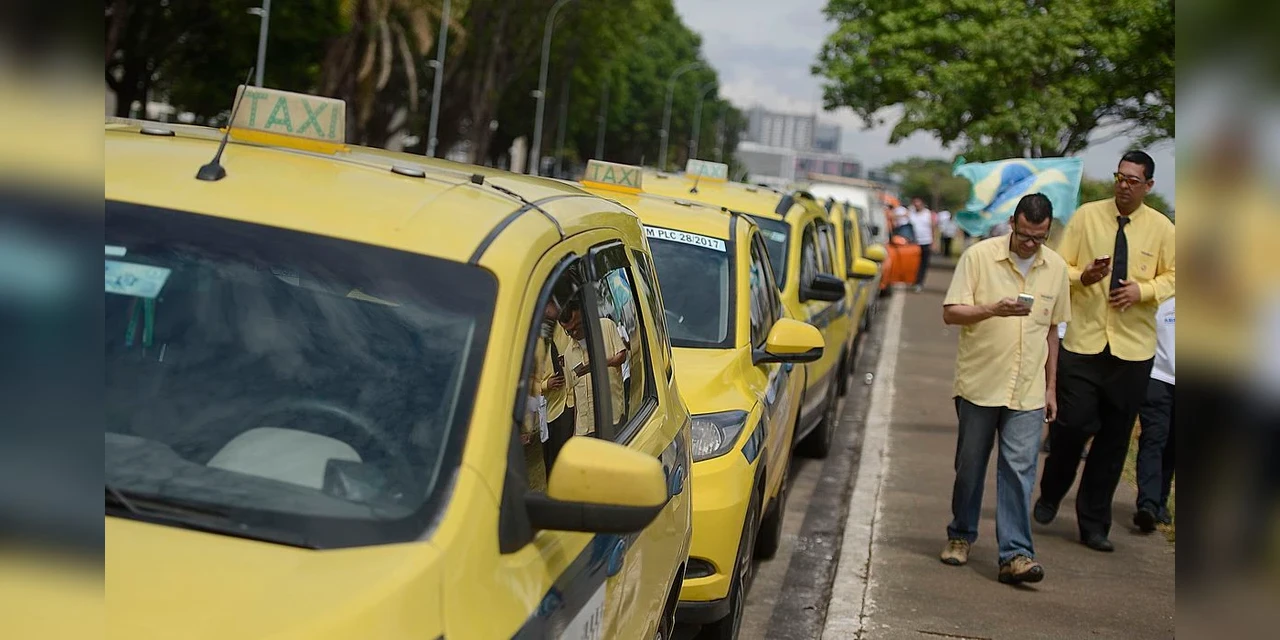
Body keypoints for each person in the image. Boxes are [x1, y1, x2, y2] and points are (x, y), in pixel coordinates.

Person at [1034, 150, 1175, 553]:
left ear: (1148, 186)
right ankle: (1051, 491)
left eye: (1133, 180)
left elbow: (1176, 275)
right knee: (1072, 426)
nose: (1124, 186)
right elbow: (1058, 266)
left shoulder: (1163, 229)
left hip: (1133, 351)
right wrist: (1084, 276)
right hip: (1084, 342)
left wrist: (1143, 291)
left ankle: (1094, 523)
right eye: (1120, 177)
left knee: (1113, 442)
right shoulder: (1087, 217)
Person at [939, 193, 1071, 585]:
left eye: (1039, 238)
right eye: (1025, 235)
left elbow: (1052, 331)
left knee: (1019, 470)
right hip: (980, 383)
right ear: (1013, 222)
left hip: (1028, 389)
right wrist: (991, 309)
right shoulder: (978, 257)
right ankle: (961, 535)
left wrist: (1051, 388)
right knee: (970, 467)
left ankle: (1015, 554)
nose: (1031, 244)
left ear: (1048, 232)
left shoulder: (1056, 268)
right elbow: (951, 313)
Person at [1134, 295, 1175, 531]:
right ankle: (1147, 505)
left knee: (1173, 444)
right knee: (1154, 437)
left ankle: (1160, 501)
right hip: (1157, 377)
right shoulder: (1162, 296)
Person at [908, 197, 936, 291]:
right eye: (915, 204)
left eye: (918, 204)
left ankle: (919, 282)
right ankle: (913, 279)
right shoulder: (911, 213)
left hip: (926, 241)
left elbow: (933, 227)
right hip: (914, 242)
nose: (917, 206)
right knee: (914, 263)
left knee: (923, 263)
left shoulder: (928, 214)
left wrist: (933, 241)